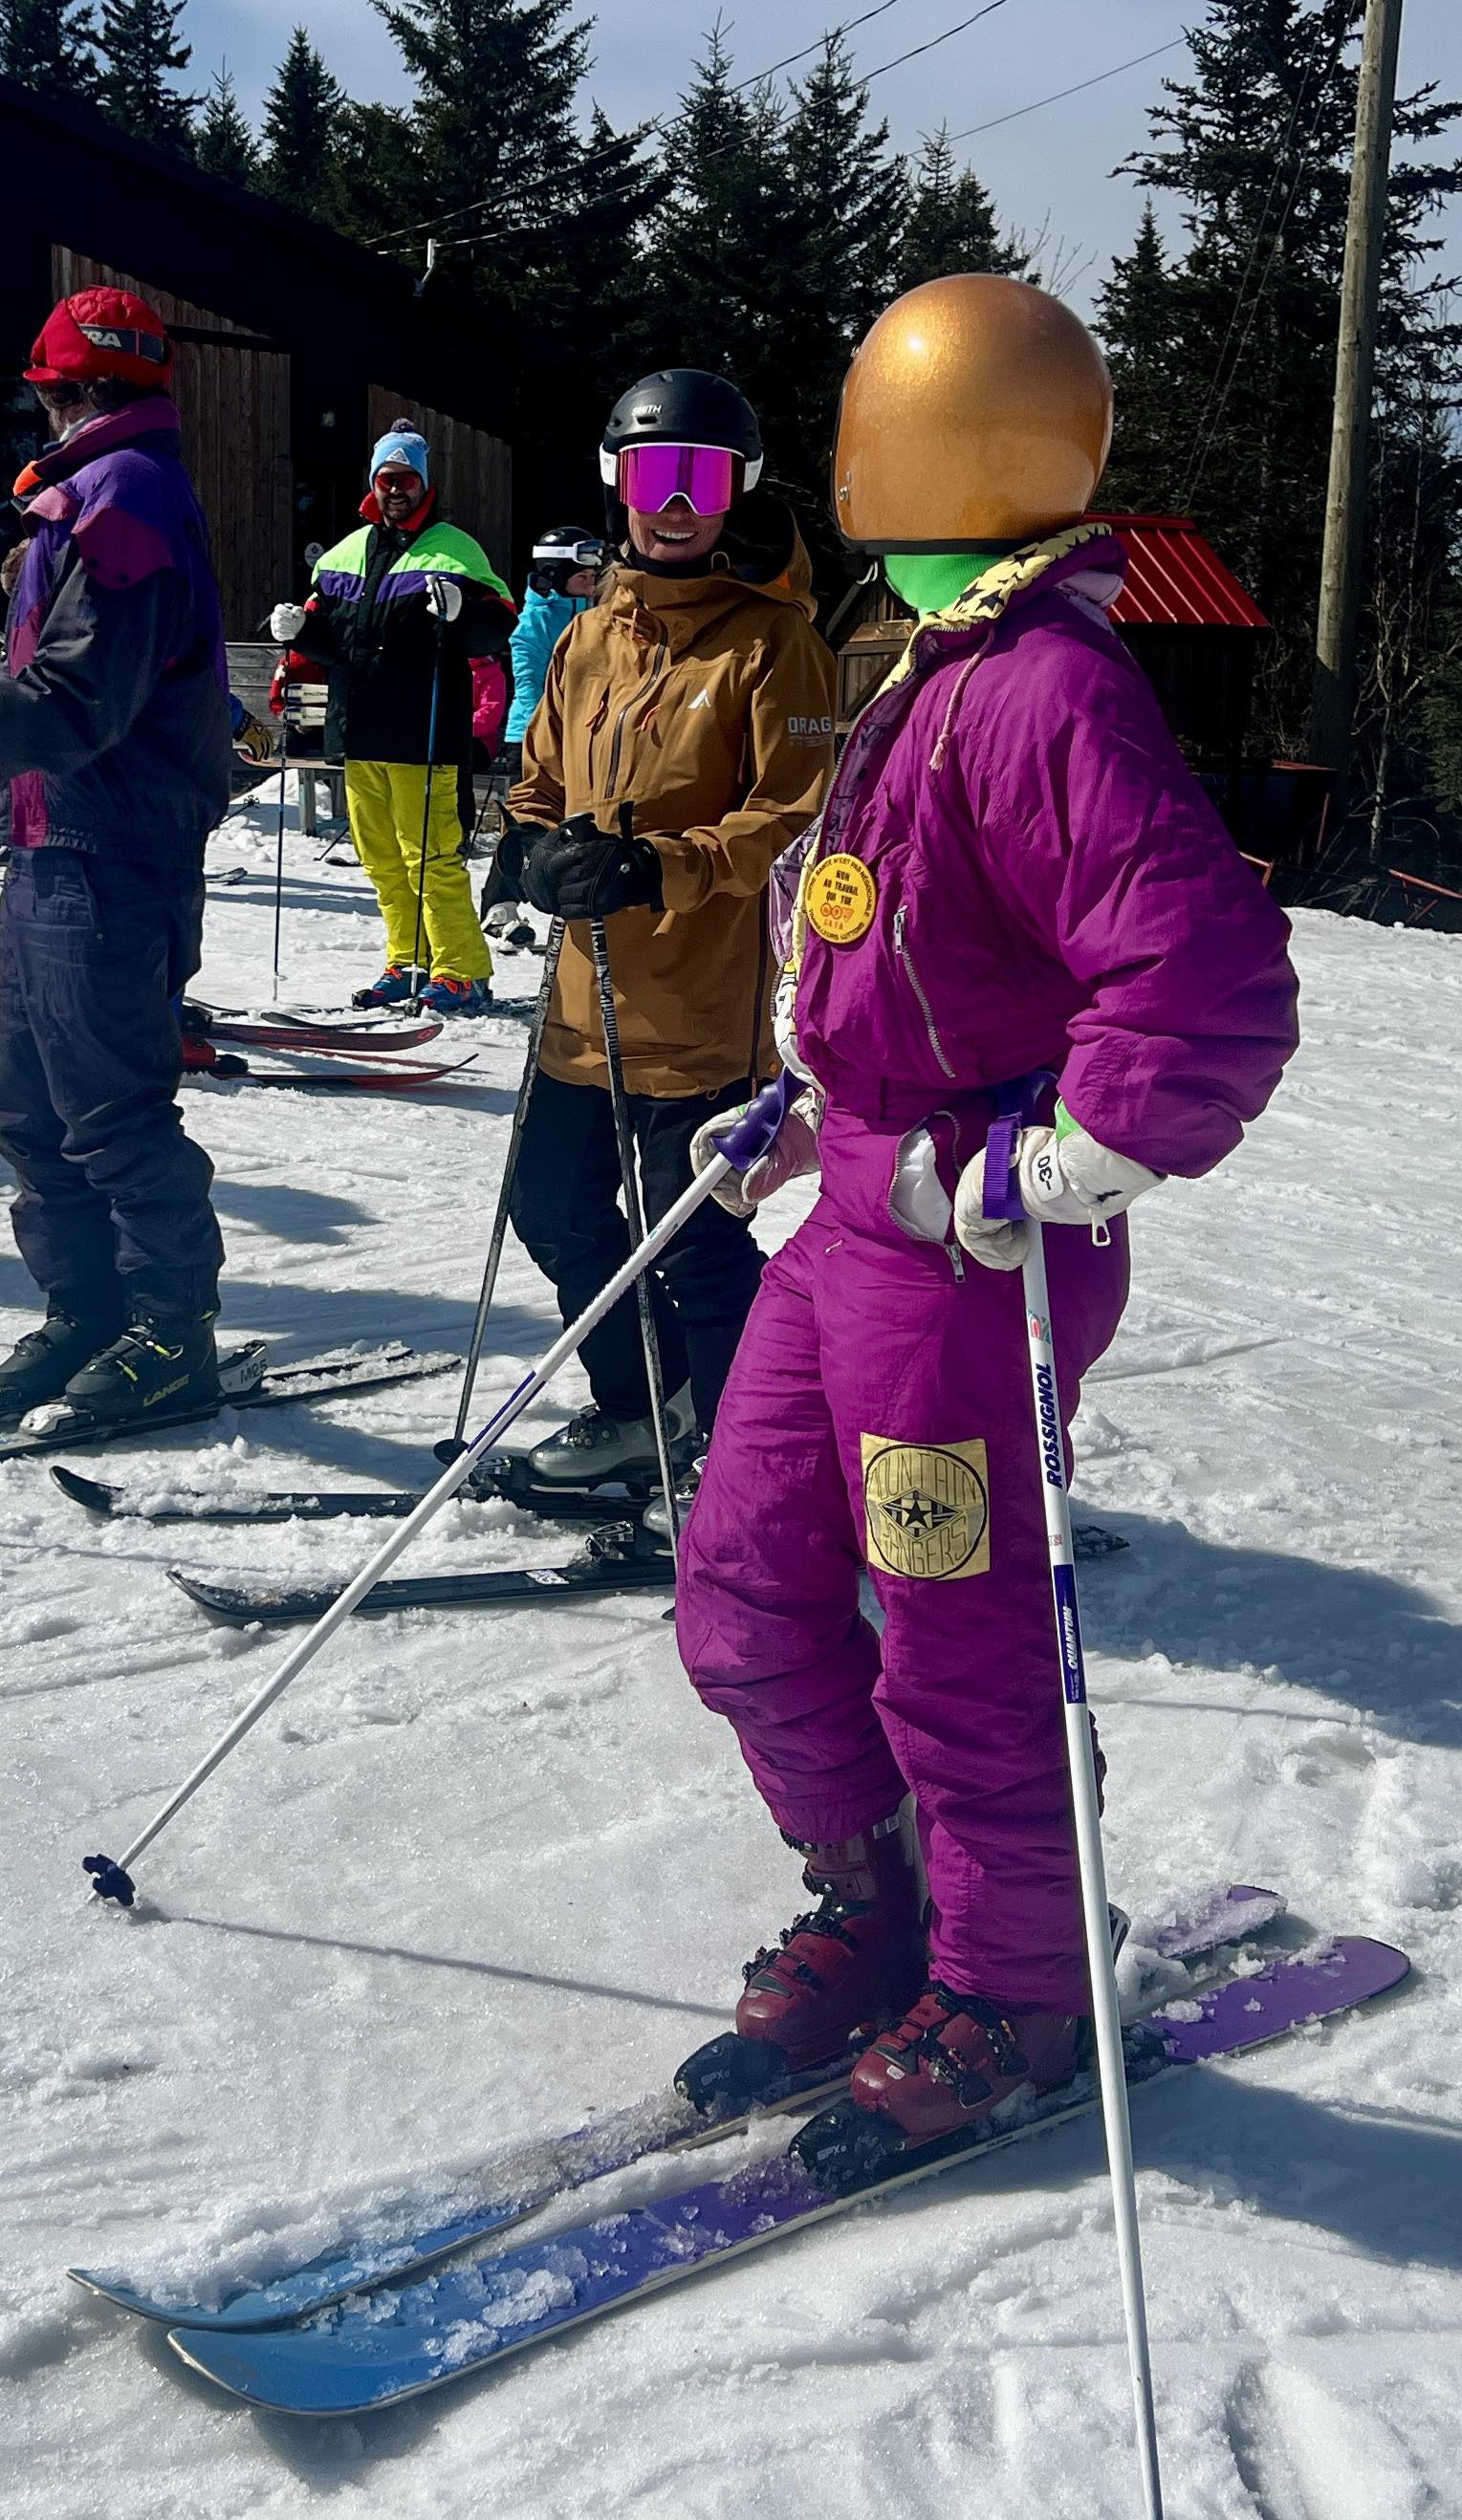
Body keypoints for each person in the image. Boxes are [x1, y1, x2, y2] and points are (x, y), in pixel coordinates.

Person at [676, 277, 1301, 2187]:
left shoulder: (1042, 683)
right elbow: (928, 943)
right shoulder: (939, 649)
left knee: (948, 1645)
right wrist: (813, 1090)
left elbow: (1200, 997)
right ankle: (878, 1910)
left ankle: (1017, 1985)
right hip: (856, 1218)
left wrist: (1043, 1167)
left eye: (876, 422)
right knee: (742, 1590)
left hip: (964, 1265)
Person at [504, 372, 836, 1488]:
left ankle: (748, 1470)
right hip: (577, 1007)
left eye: (701, 476)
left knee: (688, 1241)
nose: (676, 502)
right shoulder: (588, 635)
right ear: (618, 483)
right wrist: (536, 850)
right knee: (550, 1211)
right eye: (654, 474)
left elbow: (793, 818)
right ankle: (646, 1403)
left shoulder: (775, 644)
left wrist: (659, 863)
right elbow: (539, 782)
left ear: (735, 487)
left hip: (699, 1014)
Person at [0, 287, 230, 1429]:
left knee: (109, 1106)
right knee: (29, 1103)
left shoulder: (126, 493)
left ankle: (170, 1330)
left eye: (41, 393)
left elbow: (83, 695)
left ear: (67, 390)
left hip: (106, 847)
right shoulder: (90, 492)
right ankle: (85, 1307)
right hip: (49, 837)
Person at [272, 422, 515, 1017]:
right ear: (373, 485)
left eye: (405, 480)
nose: (394, 490)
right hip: (360, 732)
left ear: (423, 484)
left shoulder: (457, 549)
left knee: (431, 856)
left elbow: (497, 624)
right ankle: (406, 960)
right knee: (381, 859)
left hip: (424, 733)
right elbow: (331, 640)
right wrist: (300, 631)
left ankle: (461, 970)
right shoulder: (343, 554)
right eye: (385, 480)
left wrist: (461, 614)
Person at [478, 526, 601, 941]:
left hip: (585, 734)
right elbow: (532, 683)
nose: (592, 581)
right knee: (529, 826)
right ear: (554, 574)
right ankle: (499, 903)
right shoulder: (533, 623)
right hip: (534, 735)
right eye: (582, 575)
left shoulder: (594, 612)